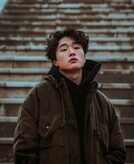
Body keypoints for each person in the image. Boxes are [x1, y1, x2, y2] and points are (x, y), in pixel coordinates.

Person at [13, 27, 126, 164]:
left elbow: (117, 152)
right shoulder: (37, 97)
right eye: (64, 49)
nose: (72, 52)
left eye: (77, 48)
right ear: (55, 61)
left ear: (84, 57)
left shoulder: (103, 103)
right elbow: (24, 152)